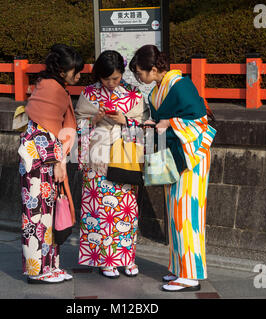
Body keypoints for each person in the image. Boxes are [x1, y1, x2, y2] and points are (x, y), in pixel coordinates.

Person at [130, 44, 216, 292]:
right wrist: (154, 123)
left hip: (192, 156)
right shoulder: (159, 89)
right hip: (175, 154)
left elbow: (200, 120)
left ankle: (190, 274)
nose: (139, 78)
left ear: (154, 69)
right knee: (176, 214)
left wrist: (168, 121)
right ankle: (179, 269)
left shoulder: (181, 85)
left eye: (139, 73)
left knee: (188, 214)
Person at [75, 50, 149, 278]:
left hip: (123, 156)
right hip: (97, 157)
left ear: (122, 74)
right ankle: (105, 258)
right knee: (100, 212)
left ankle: (127, 257)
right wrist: (93, 120)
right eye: (106, 79)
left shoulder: (133, 94)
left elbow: (145, 122)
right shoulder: (88, 94)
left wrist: (124, 120)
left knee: (125, 212)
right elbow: (77, 122)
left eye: (115, 78)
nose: (110, 83)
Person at [18, 44, 83, 284]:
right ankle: (37, 271)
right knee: (37, 216)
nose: (78, 76)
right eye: (76, 71)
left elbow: (46, 126)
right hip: (40, 160)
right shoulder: (54, 90)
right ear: (63, 70)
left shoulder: (48, 85)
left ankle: (51, 265)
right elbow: (45, 129)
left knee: (49, 214)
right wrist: (57, 160)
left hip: (40, 157)